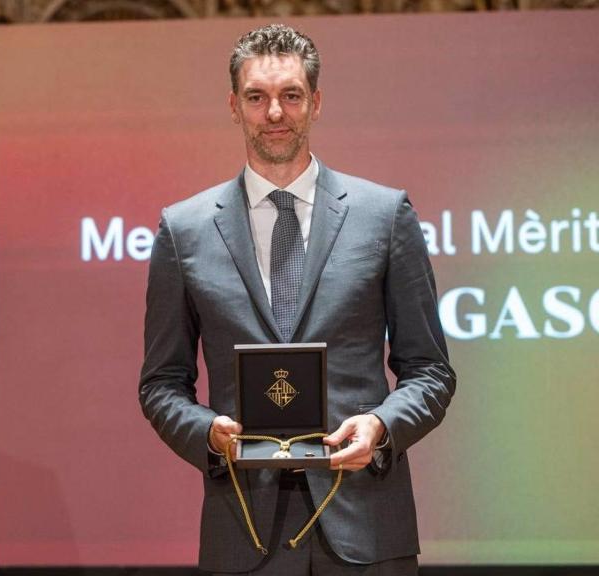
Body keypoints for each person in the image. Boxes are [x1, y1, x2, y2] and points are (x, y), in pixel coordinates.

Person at [139, 24, 455, 575]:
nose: (275, 113)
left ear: (316, 102)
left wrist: (380, 427)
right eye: (257, 97)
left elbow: (429, 372)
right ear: (234, 105)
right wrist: (207, 436)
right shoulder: (183, 230)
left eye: (291, 95)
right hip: (243, 531)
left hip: (366, 529)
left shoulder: (384, 216)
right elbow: (161, 384)